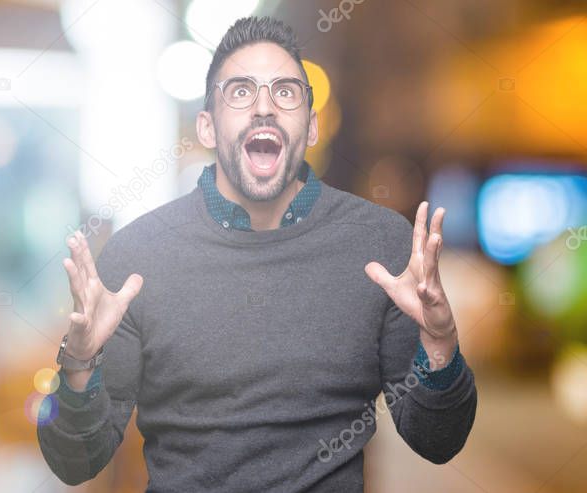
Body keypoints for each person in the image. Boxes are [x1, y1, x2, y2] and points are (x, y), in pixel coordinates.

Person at [37, 16, 476, 492]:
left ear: (310, 127)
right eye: (240, 92)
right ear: (207, 126)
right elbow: (74, 463)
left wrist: (441, 347)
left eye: (285, 92)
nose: (264, 107)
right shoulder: (137, 259)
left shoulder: (379, 248)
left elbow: (439, 441)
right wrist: (78, 365)